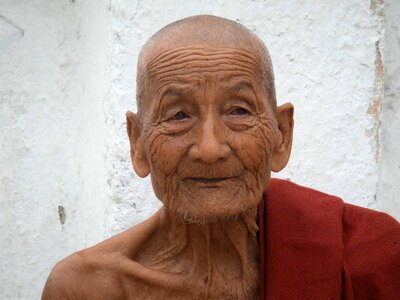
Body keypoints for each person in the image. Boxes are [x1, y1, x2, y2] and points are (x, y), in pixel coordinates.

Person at [42, 15, 400, 299]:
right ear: (138, 143)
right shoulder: (87, 289)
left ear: (281, 135)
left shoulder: (374, 256)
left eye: (239, 111)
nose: (210, 149)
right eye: (179, 115)